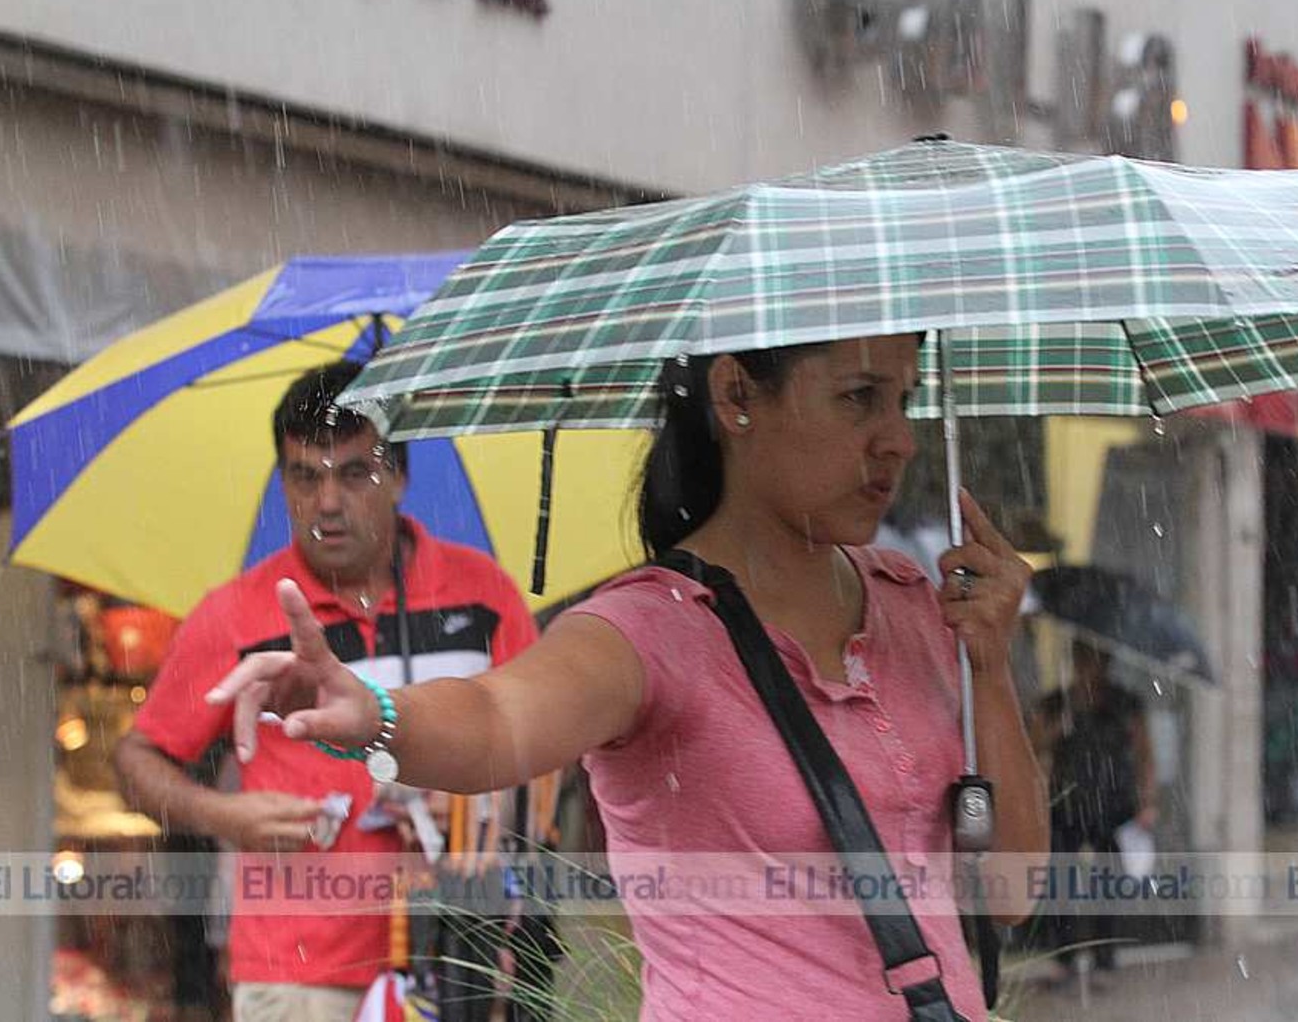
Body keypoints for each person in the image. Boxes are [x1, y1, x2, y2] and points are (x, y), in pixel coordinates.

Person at [206, 336, 1051, 1021]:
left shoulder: (914, 604)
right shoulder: (653, 627)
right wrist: (375, 712)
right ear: (736, 396)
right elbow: (498, 718)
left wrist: (988, 664)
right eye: (858, 397)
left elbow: (1007, 890)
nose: (898, 438)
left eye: (904, 399)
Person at [113, 361, 541, 1022]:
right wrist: (224, 816)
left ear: (398, 476)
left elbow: (547, 749)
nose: (328, 502)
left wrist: (481, 796)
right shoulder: (234, 614)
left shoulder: (483, 592)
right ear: (283, 482)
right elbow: (135, 761)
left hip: (460, 952)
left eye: (354, 473)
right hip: (298, 970)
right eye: (305, 477)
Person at [1029, 639, 1158, 984]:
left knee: (1108, 882)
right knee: (1061, 881)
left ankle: (1104, 959)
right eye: (1085, 661)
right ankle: (1065, 958)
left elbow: (1144, 754)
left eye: (1098, 662)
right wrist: (1060, 726)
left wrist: (1147, 802)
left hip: (1114, 804)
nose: (1091, 669)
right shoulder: (1057, 703)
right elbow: (1033, 746)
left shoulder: (1125, 703)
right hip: (1067, 803)